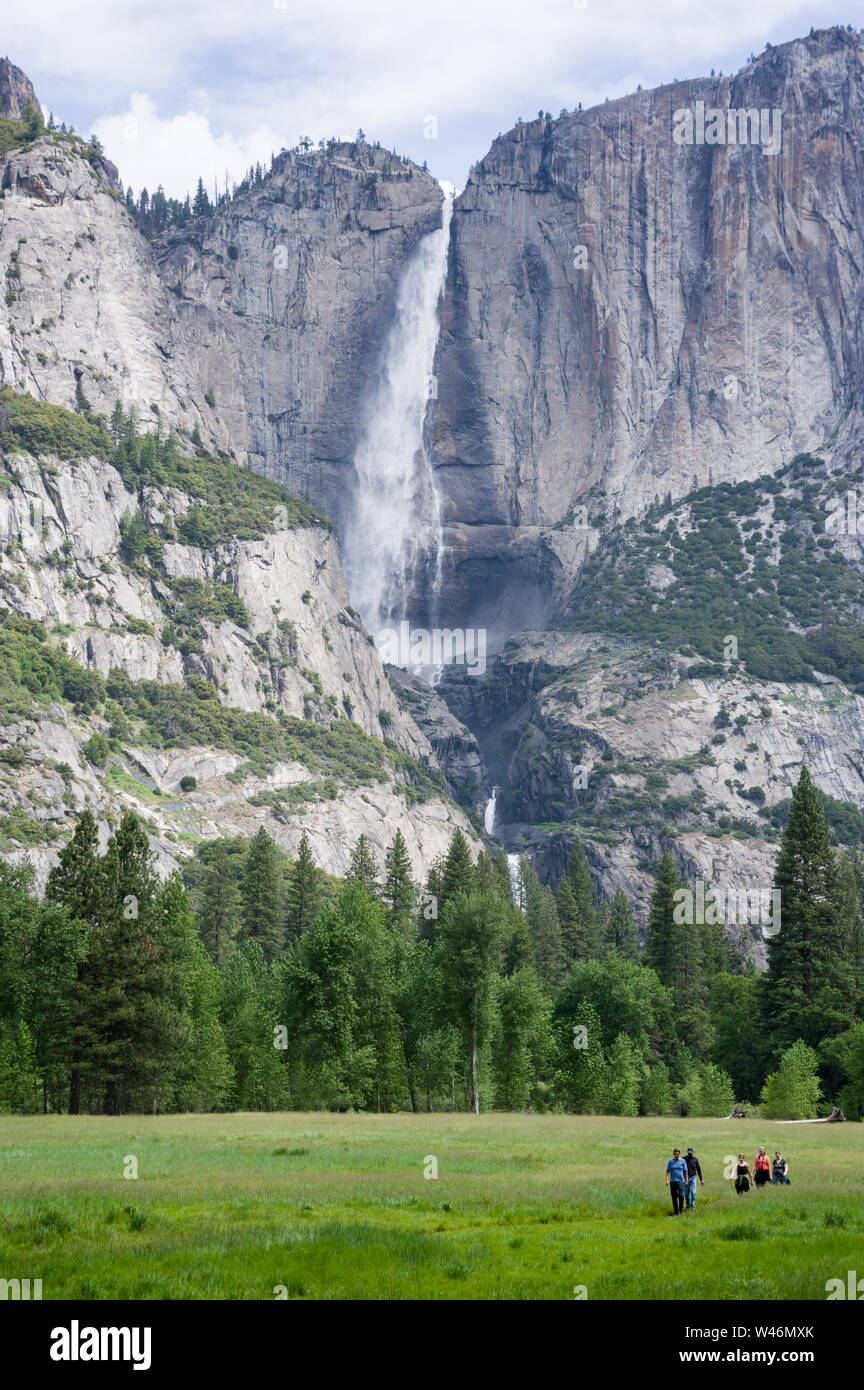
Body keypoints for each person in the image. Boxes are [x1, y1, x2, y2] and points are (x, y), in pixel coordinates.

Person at [665, 1147, 688, 1215]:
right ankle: (676, 1212)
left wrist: (686, 1180)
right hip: (673, 1182)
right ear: (673, 1154)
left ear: (679, 1154)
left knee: (681, 1196)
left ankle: (681, 1210)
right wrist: (667, 1180)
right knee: (674, 1198)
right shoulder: (670, 1161)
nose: (676, 1156)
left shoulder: (683, 1161)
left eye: (677, 1154)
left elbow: (686, 1171)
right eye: (675, 1154)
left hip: (681, 1181)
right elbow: (667, 1171)